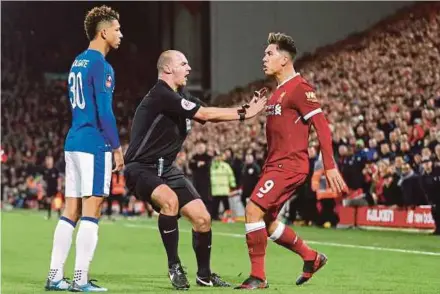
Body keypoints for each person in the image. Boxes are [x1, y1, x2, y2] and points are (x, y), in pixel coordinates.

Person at [123, 49, 267, 290]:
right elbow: (206, 114)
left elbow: (209, 112)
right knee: (170, 202)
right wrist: (245, 114)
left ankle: (204, 275)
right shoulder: (161, 94)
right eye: (184, 63)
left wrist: (243, 107)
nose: (189, 68)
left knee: (203, 219)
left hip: (166, 169)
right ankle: (174, 266)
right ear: (168, 69)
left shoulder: (182, 96)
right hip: (141, 168)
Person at [236, 32, 348, 290]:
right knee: (266, 221)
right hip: (274, 164)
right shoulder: (277, 92)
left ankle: (258, 277)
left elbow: (322, 126)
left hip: (289, 164)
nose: (263, 58)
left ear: (285, 59)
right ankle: (311, 257)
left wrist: (329, 164)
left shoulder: (300, 88)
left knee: (252, 210)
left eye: (269, 54)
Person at [45, 5, 124, 292]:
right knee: (92, 209)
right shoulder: (102, 66)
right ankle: (80, 279)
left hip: (74, 141)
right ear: (103, 32)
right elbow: (105, 111)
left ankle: (55, 276)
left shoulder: (77, 61)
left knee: (71, 210)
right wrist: (116, 147)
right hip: (94, 144)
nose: (121, 35)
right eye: (116, 29)